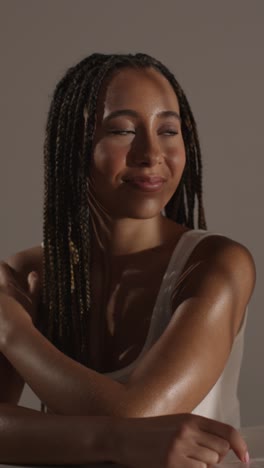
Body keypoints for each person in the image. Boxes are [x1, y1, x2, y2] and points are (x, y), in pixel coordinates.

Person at [0, 52, 255, 465]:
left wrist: (11, 330)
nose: (151, 153)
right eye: (122, 130)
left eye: (169, 130)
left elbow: (140, 417)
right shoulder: (27, 276)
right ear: (74, 145)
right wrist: (116, 441)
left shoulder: (216, 265)